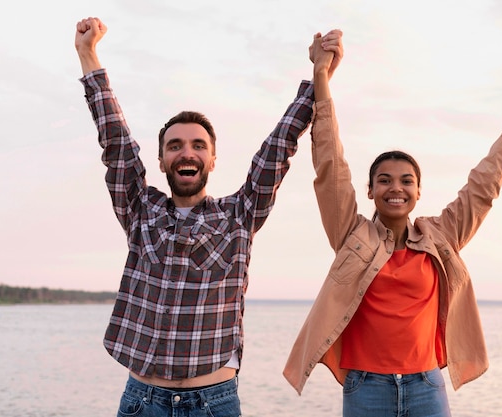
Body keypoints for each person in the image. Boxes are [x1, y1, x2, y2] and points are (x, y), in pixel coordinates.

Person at [74, 16, 343, 417]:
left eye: (198, 145)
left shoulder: (238, 215)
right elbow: (115, 142)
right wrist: (87, 54)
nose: (187, 152)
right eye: (175, 145)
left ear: (212, 160)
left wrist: (318, 76)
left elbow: (277, 148)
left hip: (211, 403)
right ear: (163, 160)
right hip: (142, 402)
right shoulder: (139, 210)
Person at [284, 37, 502, 417]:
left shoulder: (443, 236)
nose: (396, 188)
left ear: (418, 191)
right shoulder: (352, 235)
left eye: (406, 180)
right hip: (365, 387)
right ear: (370, 190)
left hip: (426, 386)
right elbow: (330, 164)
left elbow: (487, 181)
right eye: (384, 180)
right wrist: (321, 75)